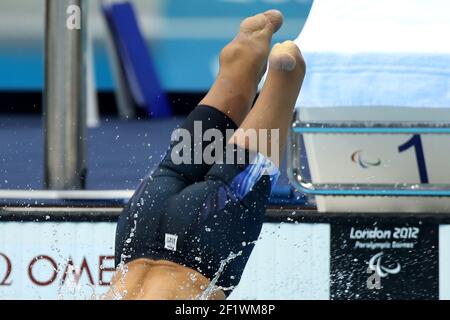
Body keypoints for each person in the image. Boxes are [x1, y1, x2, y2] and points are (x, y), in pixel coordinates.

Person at [106, 9, 305, 300]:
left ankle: (284, 68)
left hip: (205, 241)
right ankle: (245, 56)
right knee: (175, 168)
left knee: (283, 85)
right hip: (138, 229)